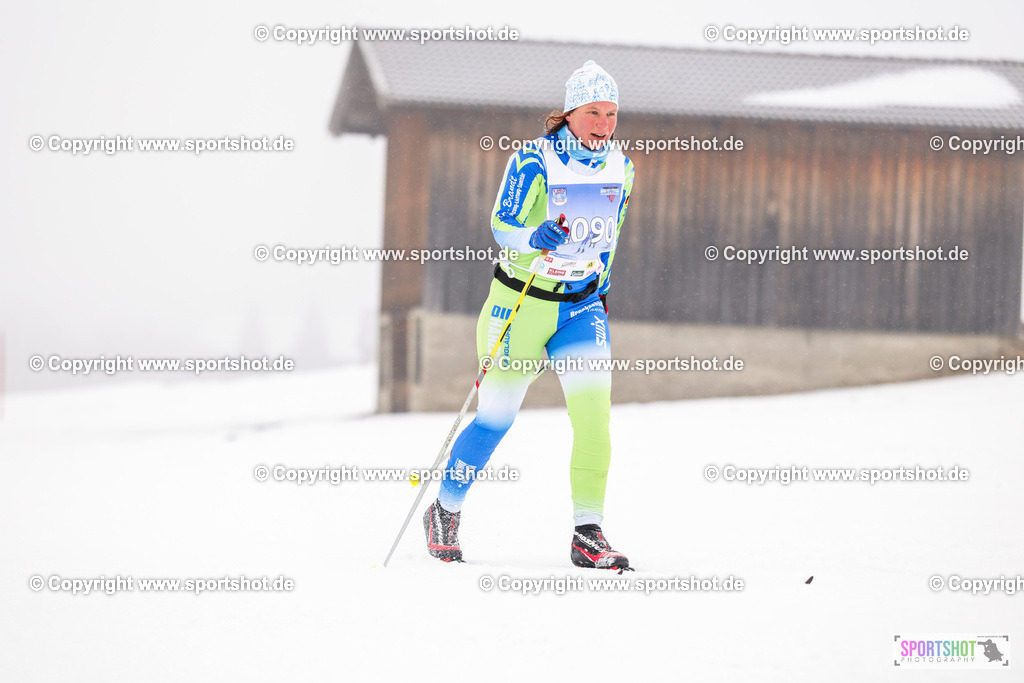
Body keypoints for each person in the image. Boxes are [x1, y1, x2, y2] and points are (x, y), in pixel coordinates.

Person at [423, 60, 635, 570]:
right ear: (569, 113)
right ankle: (445, 509)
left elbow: (611, 236)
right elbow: (502, 226)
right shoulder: (533, 161)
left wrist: (600, 291)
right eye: (593, 113)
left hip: (580, 308)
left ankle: (589, 533)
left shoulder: (621, 167)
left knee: (594, 421)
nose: (604, 124)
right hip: (521, 303)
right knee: (496, 418)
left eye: (611, 114)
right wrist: (533, 238)